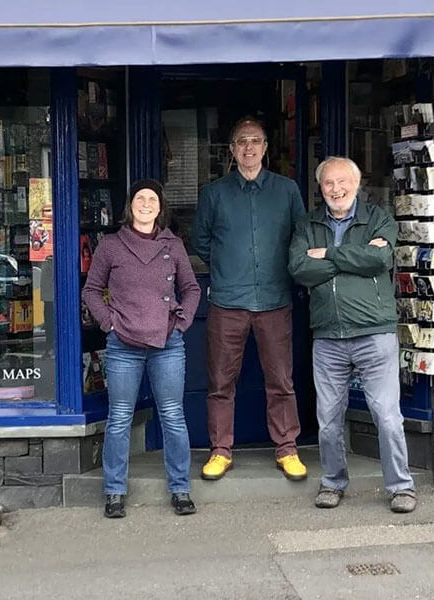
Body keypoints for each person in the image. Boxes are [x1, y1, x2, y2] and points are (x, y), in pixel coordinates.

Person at [288, 156, 417, 513]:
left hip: (374, 333)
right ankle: (333, 482)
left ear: (357, 184)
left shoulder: (378, 218)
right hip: (328, 336)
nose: (336, 189)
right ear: (320, 188)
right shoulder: (307, 224)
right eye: (328, 183)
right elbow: (299, 268)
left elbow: (379, 261)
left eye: (343, 182)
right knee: (328, 419)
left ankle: (401, 486)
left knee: (386, 415)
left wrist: (328, 254)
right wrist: (355, 256)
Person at [191, 116, 307, 481]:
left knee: (281, 380)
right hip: (228, 300)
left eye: (255, 140)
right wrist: (229, 266)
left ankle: (287, 448)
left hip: (275, 299)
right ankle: (221, 450)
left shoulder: (287, 190)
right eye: (242, 141)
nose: (249, 147)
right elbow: (200, 241)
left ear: (266, 148)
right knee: (221, 382)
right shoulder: (214, 193)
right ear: (231, 149)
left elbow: (301, 237)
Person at [83, 179, 201, 518]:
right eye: (140, 198)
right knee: (119, 417)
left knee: (173, 416)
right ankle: (114, 491)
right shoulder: (111, 245)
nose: (146, 203)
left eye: (152, 198)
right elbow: (92, 290)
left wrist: (183, 321)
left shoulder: (173, 244)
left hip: (167, 342)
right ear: (130, 205)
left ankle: (180, 489)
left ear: (160, 206)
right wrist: (110, 323)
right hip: (123, 344)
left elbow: (191, 288)